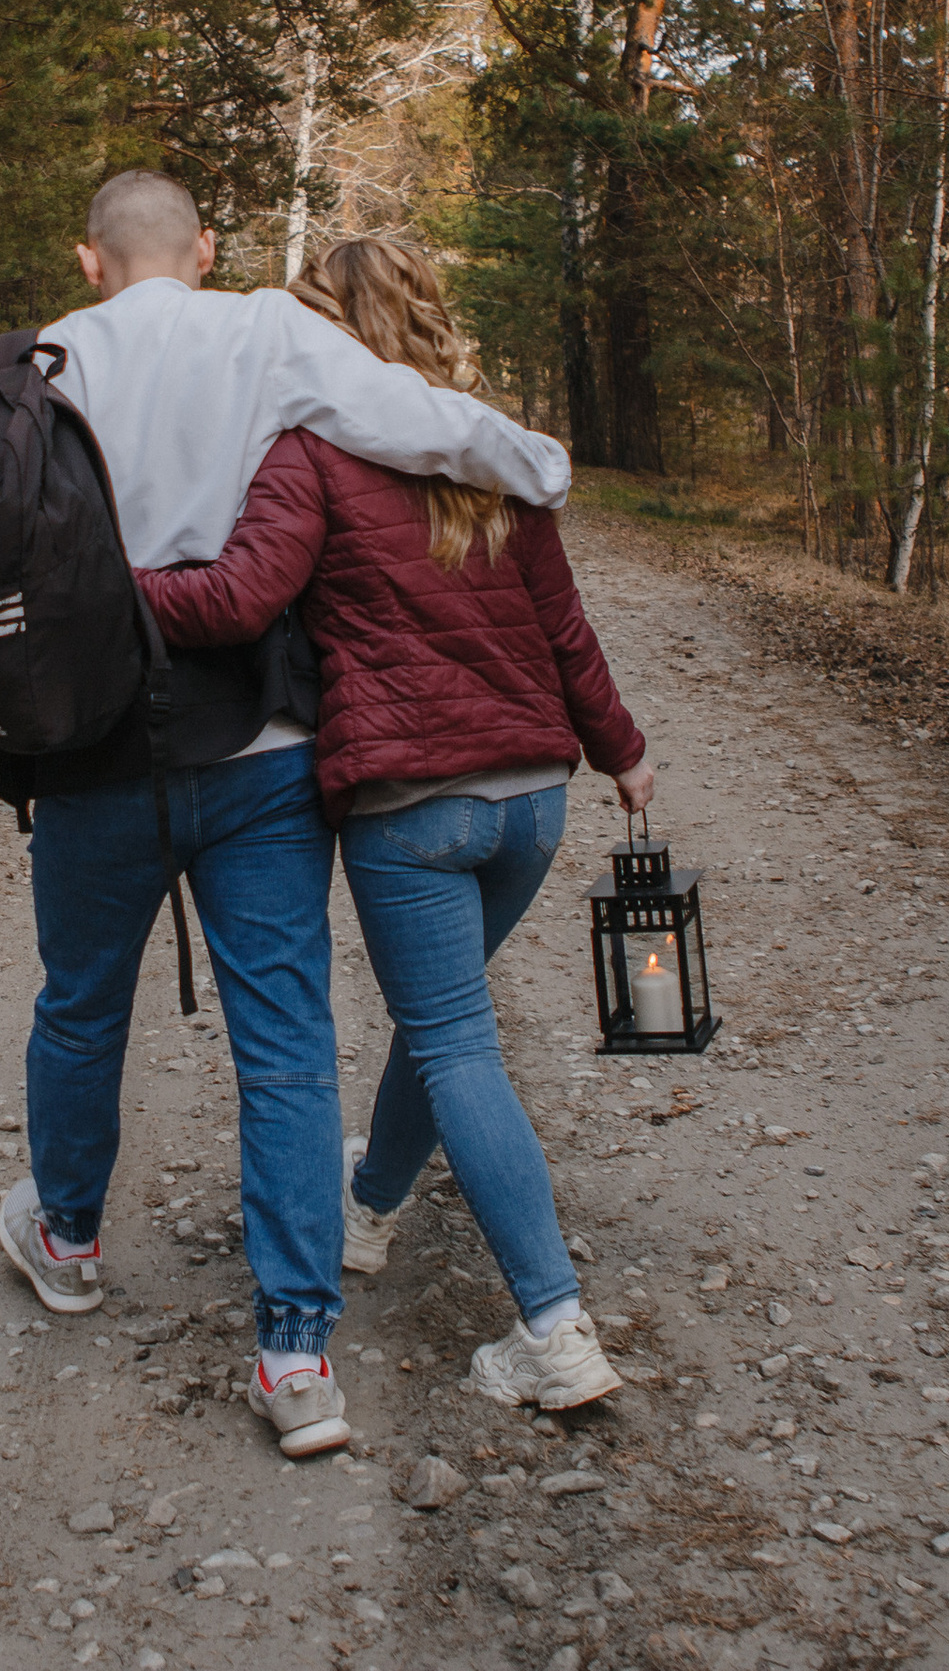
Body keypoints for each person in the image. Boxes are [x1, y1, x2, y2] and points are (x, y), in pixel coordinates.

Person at [0, 173, 573, 1459]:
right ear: (202, 247)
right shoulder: (263, 329)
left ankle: (69, 1239)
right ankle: (296, 1351)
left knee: (81, 1002)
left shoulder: (39, 363)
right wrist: (539, 465)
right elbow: (417, 422)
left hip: (92, 750)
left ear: (89, 258)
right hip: (260, 750)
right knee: (289, 1041)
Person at [133, 235, 651, 1411]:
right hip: (530, 797)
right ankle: (367, 1213)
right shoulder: (489, 450)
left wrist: (106, 584)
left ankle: (555, 1330)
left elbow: (239, 596)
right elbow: (563, 627)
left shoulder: (309, 451)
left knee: (458, 1039)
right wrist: (621, 750)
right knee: (443, 1019)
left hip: (413, 806)